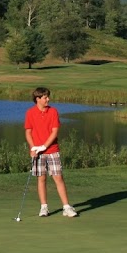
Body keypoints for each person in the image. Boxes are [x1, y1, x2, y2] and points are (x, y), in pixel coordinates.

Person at [24, 87, 78, 218]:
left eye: (48, 97)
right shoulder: (30, 113)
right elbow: (28, 132)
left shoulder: (53, 111)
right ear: (38, 99)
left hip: (52, 150)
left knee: (58, 177)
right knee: (41, 179)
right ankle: (44, 207)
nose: (48, 99)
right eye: (45, 97)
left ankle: (66, 207)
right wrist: (33, 148)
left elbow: (54, 132)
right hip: (37, 151)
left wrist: (44, 146)